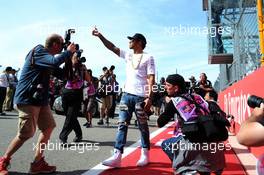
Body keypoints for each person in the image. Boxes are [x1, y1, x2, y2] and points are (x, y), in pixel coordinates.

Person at [0, 34, 76, 175]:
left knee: (48, 127)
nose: (63, 46)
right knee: (26, 133)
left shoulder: (48, 60)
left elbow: (65, 75)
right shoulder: (39, 51)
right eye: (62, 44)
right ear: (54, 44)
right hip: (27, 98)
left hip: (40, 100)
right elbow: (54, 62)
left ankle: (37, 163)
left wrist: (71, 59)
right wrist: (68, 52)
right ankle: (3, 161)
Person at [92, 27, 155, 167]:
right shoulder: (128, 55)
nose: (129, 42)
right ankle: (117, 156)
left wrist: (149, 98)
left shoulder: (148, 57)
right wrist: (100, 36)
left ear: (139, 42)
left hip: (141, 97)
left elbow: (151, 78)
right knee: (122, 125)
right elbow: (112, 47)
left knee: (143, 126)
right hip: (125, 96)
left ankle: (145, 154)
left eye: (131, 40)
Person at [157, 74, 225, 175]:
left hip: (193, 141)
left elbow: (160, 123)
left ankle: (187, 169)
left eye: (167, 85)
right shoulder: (198, 97)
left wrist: (168, 104)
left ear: (176, 88)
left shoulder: (175, 102)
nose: (165, 87)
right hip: (214, 143)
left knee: (166, 144)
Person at [59, 51, 91, 144]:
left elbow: (89, 80)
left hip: (77, 94)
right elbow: (63, 77)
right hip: (66, 93)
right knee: (70, 116)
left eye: (79, 57)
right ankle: (79, 134)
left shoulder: (82, 68)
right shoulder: (67, 66)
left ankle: (63, 137)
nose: (78, 58)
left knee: (70, 116)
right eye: (76, 56)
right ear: (71, 57)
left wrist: (84, 70)